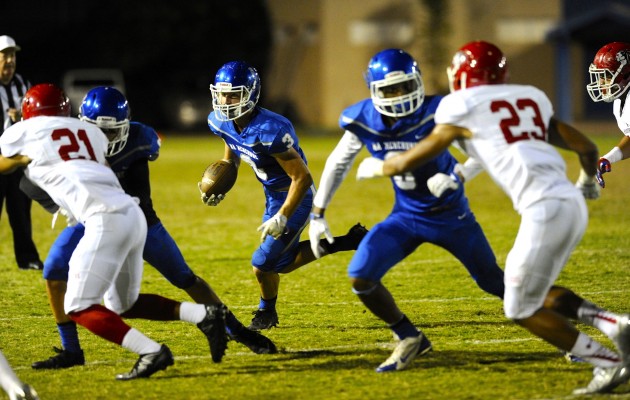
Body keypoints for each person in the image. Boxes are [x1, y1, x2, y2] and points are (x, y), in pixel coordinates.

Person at [355, 40, 630, 395]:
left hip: (542, 207)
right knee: (532, 293)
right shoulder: (529, 96)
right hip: (568, 203)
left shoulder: (459, 104)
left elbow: (415, 156)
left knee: (519, 306)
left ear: (464, 75)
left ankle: (608, 360)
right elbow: (586, 147)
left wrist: (382, 165)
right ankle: (612, 325)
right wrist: (587, 181)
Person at [27, 87, 276, 370]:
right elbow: (29, 179)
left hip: (141, 221)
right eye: (97, 131)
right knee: (54, 271)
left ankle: (236, 330)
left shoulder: (139, 139)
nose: (103, 138)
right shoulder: (72, 141)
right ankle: (71, 349)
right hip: (90, 221)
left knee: (184, 278)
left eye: (111, 132)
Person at [308, 48, 505, 373]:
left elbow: (485, 151)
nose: (399, 96)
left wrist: (457, 175)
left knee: (494, 283)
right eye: (390, 89)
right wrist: (317, 214)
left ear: (418, 82)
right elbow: (338, 162)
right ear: (373, 90)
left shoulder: (438, 111)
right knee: (360, 275)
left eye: (405, 87)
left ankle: (570, 334)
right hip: (408, 215)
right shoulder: (362, 118)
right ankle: (410, 338)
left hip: (450, 216)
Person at [205, 61, 368, 330]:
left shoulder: (272, 129)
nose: (226, 100)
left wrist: (282, 216)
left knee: (261, 264)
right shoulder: (220, 121)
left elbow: (302, 178)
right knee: (282, 263)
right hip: (272, 196)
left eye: (234, 94)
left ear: (251, 94)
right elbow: (231, 152)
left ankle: (266, 312)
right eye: (222, 93)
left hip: (297, 197)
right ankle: (347, 241)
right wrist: (221, 184)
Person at [0, 35, 42, 270]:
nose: (9, 60)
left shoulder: (22, 83)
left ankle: (28, 258)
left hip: (17, 160)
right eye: (4, 55)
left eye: (12, 55)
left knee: (21, 212)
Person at [585, 41, 630, 188]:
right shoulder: (620, 103)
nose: (601, 83)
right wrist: (607, 159)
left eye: (607, 76)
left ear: (626, 74)